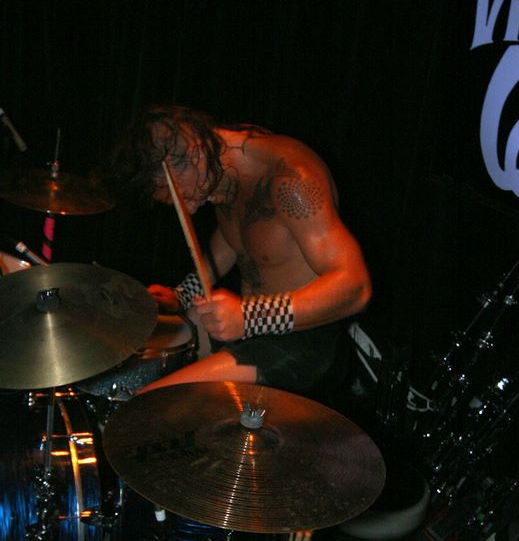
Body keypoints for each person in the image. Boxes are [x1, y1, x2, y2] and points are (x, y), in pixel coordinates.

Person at [109, 105, 371, 395]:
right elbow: (234, 241)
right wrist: (183, 294)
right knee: (133, 357)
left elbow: (356, 288)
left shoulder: (291, 179)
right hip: (250, 332)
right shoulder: (219, 168)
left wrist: (249, 317)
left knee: (154, 400)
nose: (188, 208)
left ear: (195, 155)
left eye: (183, 197)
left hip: (304, 345)